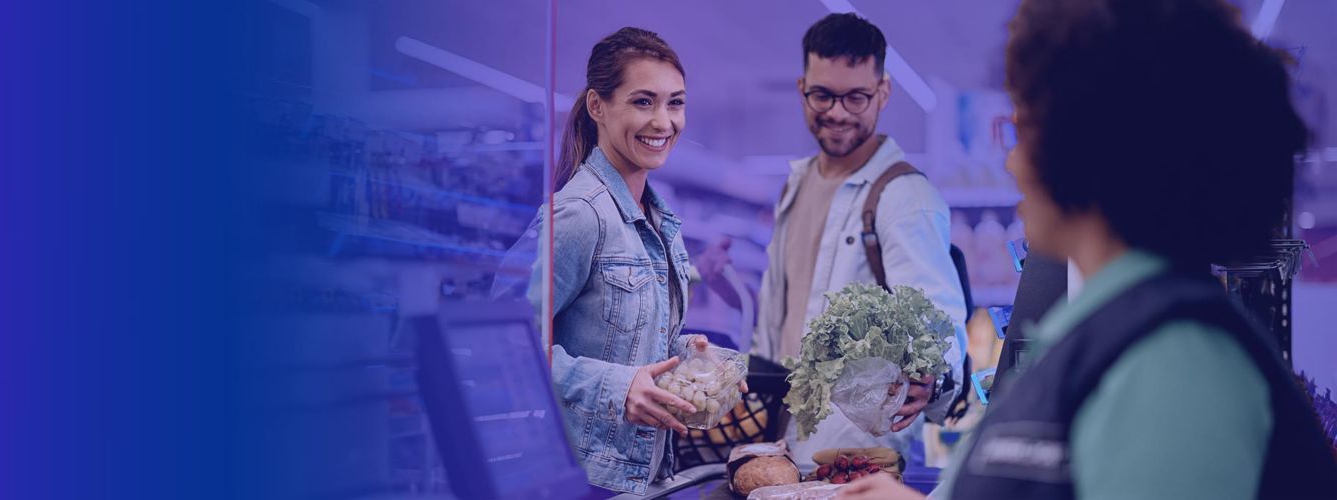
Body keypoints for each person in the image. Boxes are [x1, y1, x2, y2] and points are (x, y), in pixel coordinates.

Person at [839, 0, 1337, 498]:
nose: (1012, 161)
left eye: (1022, 131)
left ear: (1087, 147)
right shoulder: (1107, 334)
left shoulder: (1175, 368)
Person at [699, 12, 966, 466]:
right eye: (823, 95)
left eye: (856, 97)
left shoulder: (903, 196)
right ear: (803, 88)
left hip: (857, 458)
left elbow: (939, 320)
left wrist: (932, 378)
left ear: (883, 93)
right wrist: (732, 292)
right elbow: (790, 320)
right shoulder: (796, 186)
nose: (837, 112)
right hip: (782, 443)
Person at [532, 27, 738, 495]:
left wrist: (697, 363)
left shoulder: (657, 219)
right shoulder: (579, 214)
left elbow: (620, 340)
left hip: (643, 478)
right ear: (597, 106)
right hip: (585, 481)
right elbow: (505, 348)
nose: (663, 122)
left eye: (675, 103)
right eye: (643, 102)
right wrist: (618, 388)